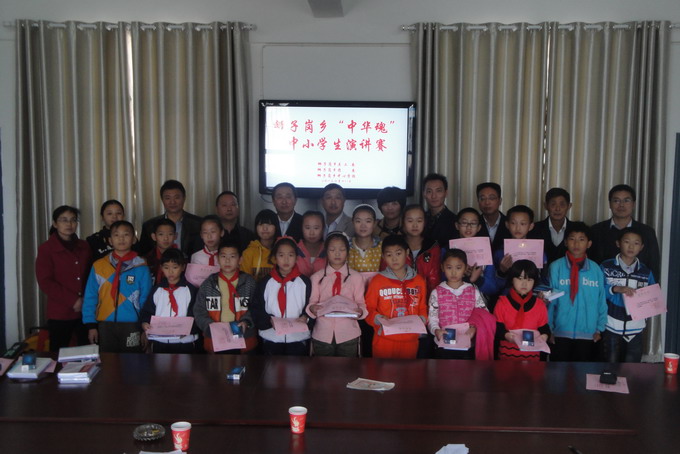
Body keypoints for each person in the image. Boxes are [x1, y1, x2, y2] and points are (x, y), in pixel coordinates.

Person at [82, 220, 153, 352]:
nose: (121, 238)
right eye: (116, 235)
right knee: (108, 362)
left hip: (133, 324)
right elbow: (90, 296)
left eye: (126, 234)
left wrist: (145, 327)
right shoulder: (99, 266)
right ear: (110, 240)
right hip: (105, 324)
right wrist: (91, 325)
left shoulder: (142, 267)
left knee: (132, 361)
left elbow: (147, 299)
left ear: (134, 239)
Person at [35, 206, 92, 351]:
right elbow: (45, 281)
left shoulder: (84, 246)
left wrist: (87, 300)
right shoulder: (46, 249)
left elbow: (90, 276)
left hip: (85, 310)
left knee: (86, 353)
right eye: (64, 220)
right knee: (58, 354)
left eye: (73, 220)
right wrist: (73, 300)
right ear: (55, 224)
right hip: (60, 312)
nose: (69, 224)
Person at [548, 222, 607, 362]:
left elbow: (601, 301)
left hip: (588, 334)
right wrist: (549, 329)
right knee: (558, 373)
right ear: (565, 242)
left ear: (589, 244)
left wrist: (599, 329)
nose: (576, 243)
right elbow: (550, 301)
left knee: (583, 372)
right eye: (572, 239)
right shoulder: (556, 267)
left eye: (581, 239)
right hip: (560, 332)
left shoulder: (595, 269)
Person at [365, 235, 428, 359]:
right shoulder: (377, 281)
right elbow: (368, 308)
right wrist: (378, 319)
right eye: (389, 255)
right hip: (384, 339)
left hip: (410, 340)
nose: (394, 259)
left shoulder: (419, 281)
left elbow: (422, 308)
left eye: (398, 253)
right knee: (382, 371)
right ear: (383, 257)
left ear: (407, 253)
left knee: (407, 371)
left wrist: (422, 320)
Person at [600, 228, 656, 363]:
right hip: (611, 326)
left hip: (635, 328)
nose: (631, 247)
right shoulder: (606, 267)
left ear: (641, 247)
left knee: (632, 369)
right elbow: (597, 293)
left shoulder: (645, 272)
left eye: (636, 243)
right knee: (610, 367)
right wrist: (615, 289)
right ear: (618, 243)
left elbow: (653, 298)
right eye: (626, 242)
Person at [307, 232, 367, 357]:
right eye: (332, 250)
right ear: (326, 252)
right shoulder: (316, 277)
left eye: (342, 250)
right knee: (323, 367)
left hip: (348, 333)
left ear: (348, 252)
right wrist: (312, 308)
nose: (337, 253)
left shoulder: (356, 277)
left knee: (347, 367)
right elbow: (312, 302)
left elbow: (361, 303)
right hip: (323, 333)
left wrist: (360, 311)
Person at [428, 249, 495, 360]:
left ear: (465, 268)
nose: (454, 272)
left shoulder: (472, 291)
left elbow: (483, 314)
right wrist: (436, 331)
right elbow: (432, 318)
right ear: (442, 267)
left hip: (468, 344)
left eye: (458, 268)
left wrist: (474, 328)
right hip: (443, 344)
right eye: (449, 267)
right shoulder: (436, 292)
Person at [250, 237, 312, 355]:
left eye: (290, 255)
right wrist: (268, 321)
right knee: (271, 366)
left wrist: (306, 317)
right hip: (271, 337)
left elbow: (311, 305)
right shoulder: (265, 282)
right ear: (275, 258)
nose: (286, 259)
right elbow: (256, 308)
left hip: (298, 337)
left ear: (296, 258)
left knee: (296, 366)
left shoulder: (305, 282)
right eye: (281, 255)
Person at [194, 239, 257, 353]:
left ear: (240, 260)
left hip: (243, 338)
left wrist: (246, 322)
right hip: (215, 338)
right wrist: (209, 326)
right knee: (216, 364)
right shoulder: (209, 283)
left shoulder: (249, 283)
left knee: (242, 363)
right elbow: (199, 309)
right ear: (218, 259)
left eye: (232, 256)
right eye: (223, 256)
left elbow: (257, 307)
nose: (227, 261)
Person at [590, 184, 660, 280]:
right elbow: (590, 264)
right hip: (603, 286)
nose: (621, 205)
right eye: (616, 201)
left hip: (638, 288)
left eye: (626, 200)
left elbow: (653, 266)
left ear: (633, 204)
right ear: (609, 204)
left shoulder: (647, 232)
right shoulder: (595, 231)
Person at [140, 249, 199, 353]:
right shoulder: (157, 290)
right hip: (159, 341)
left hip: (184, 341)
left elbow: (197, 314)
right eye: (166, 267)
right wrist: (145, 322)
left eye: (175, 267)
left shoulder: (191, 290)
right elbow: (147, 311)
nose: (170, 272)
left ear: (183, 267)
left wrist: (189, 329)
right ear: (161, 268)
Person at [494, 260, 550, 361]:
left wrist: (544, 336)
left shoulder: (540, 305)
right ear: (512, 279)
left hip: (533, 360)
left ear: (534, 281)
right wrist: (507, 336)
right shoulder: (502, 303)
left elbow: (544, 328)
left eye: (529, 280)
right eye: (520, 279)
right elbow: (498, 328)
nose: (524, 283)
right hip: (506, 358)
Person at [138, 180, 202, 256]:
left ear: (184, 198)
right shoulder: (149, 225)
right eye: (167, 198)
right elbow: (143, 254)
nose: (172, 202)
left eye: (177, 197)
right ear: (162, 200)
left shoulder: (199, 224)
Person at [453, 207, 503, 299]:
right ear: (457, 225)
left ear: (479, 227)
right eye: (464, 223)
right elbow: (442, 281)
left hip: (479, 302)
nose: (468, 227)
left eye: (473, 223)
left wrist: (477, 279)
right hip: (453, 301)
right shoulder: (448, 250)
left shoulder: (485, 250)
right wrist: (460, 273)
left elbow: (493, 288)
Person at [402, 204, 441, 298]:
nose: (415, 225)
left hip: (425, 299)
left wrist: (431, 301)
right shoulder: (396, 245)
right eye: (410, 221)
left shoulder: (432, 246)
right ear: (403, 222)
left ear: (425, 222)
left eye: (419, 221)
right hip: (399, 299)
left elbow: (434, 279)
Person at [528, 188, 573, 266]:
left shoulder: (576, 229)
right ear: (546, 206)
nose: (557, 209)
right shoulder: (534, 229)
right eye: (553, 204)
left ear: (569, 206)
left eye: (562, 204)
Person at [241, 209, 281, 281]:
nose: (265, 228)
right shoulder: (248, 253)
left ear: (276, 227)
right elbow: (244, 281)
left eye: (269, 224)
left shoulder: (281, 251)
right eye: (260, 224)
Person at [422, 173, 457, 248]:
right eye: (429, 191)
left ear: (446, 193)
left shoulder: (455, 221)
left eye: (438, 191)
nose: (434, 196)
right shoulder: (420, 218)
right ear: (424, 194)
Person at [476, 182, 510, 252]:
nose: (487, 202)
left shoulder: (510, 224)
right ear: (478, 202)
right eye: (482, 199)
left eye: (491, 198)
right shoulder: (473, 224)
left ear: (500, 201)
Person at [348, 204, 382, 272]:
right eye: (358, 221)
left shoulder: (382, 247)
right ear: (352, 222)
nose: (363, 226)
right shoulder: (345, 246)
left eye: (368, 221)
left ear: (375, 223)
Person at [143, 219, 177, 285]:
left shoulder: (182, 258)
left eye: (170, 234)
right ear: (154, 236)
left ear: (175, 236)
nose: (166, 238)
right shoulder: (146, 259)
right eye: (161, 234)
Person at [296, 211, 327, 277]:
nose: (312, 233)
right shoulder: (294, 250)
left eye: (316, 228)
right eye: (307, 228)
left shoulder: (329, 250)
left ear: (323, 229)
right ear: (301, 228)